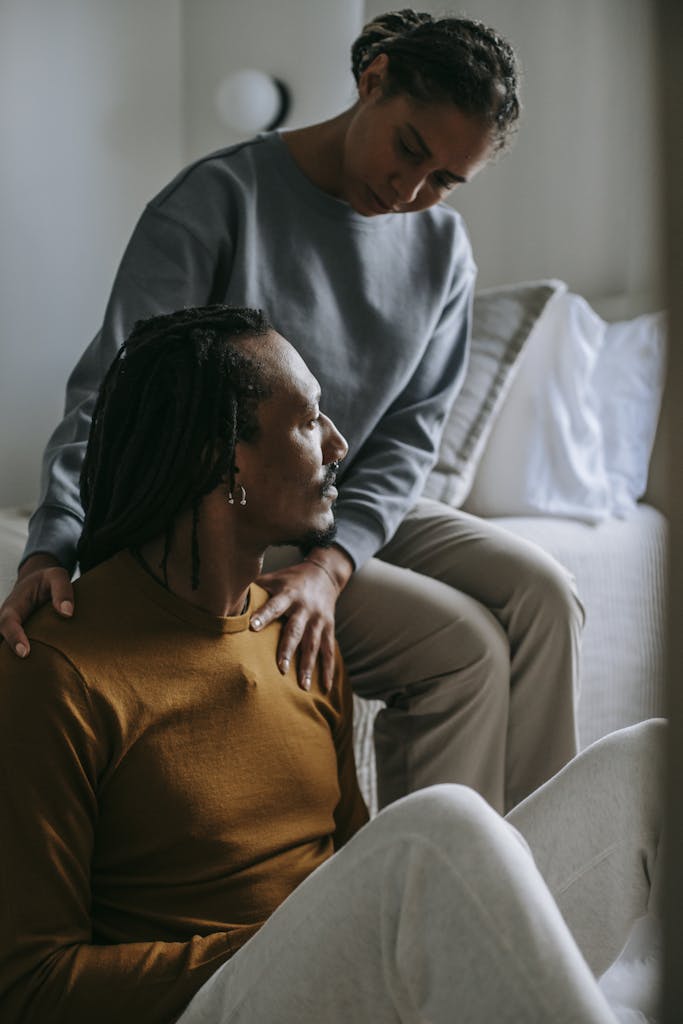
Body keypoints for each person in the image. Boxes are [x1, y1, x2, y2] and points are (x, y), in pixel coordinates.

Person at [0, 306, 663, 1024]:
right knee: (434, 829)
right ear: (225, 462)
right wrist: (306, 935)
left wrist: (353, 929)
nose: (339, 443)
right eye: (309, 420)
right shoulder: (57, 669)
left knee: (653, 760)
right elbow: (31, 985)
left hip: (341, 987)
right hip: (210, 1006)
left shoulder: (298, 638)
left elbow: (352, 867)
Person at [0, 9, 583, 813]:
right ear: (371, 79)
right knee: (465, 648)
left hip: (344, 503)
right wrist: (53, 541)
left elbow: (410, 437)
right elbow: (114, 395)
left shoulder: (443, 254)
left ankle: (531, 884)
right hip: (231, 507)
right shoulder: (217, 199)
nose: (412, 191)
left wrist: (331, 564)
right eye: (410, 149)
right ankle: (430, 899)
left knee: (545, 593)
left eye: (446, 180)